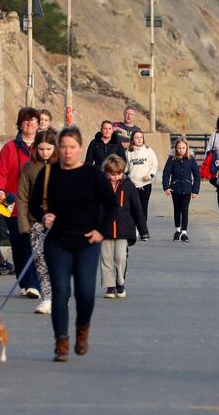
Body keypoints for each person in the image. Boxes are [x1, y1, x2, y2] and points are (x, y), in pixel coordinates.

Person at [30, 126, 119, 362]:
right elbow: (33, 204)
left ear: (79, 148)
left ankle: (82, 329)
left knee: (85, 293)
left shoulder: (93, 175)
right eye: (64, 147)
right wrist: (43, 216)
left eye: (72, 147)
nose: (67, 152)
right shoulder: (49, 173)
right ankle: (61, 342)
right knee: (60, 292)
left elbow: (112, 205)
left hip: (87, 243)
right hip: (57, 242)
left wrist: (101, 231)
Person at [0, 107, 41, 299]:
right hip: (13, 207)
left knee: (34, 245)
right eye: (26, 121)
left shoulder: (44, 147)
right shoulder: (9, 148)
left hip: (37, 207)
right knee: (20, 247)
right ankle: (24, 280)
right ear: (20, 124)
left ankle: (33, 284)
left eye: (33, 121)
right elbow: (0, 171)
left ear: (38, 124)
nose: (29, 124)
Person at [17, 130, 58, 315]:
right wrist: (24, 224)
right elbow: (22, 197)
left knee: (58, 261)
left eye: (49, 149)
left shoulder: (62, 167)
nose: (45, 153)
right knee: (40, 260)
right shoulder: (29, 167)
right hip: (35, 221)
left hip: (60, 222)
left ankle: (59, 295)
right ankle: (48, 298)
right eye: (41, 149)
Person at [101, 155, 148, 299]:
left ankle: (120, 281)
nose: (115, 177)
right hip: (105, 228)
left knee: (120, 257)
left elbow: (137, 209)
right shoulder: (101, 185)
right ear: (106, 172)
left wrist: (143, 230)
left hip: (124, 228)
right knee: (106, 258)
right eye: (112, 174)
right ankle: (110, 286)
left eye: (118, 174)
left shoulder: (129, 186)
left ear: (122, 172)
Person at [162, 137, 200, 243]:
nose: (181, 150)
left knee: (185, 210)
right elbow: (166, 174)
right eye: (179, 148)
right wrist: (166, 187)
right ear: (175, 148)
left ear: (187, 148)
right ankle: (177, 230)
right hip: (175, 189)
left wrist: (195, 190)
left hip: (187, 190)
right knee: (177, 210)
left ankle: (184, 233)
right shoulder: (171, 159)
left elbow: (197, 176)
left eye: (183, 148)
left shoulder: (191, 159)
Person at [125, 130, 158, 223]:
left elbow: (154, 165)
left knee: (143, 207)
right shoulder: (129, 152)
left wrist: (150, 175)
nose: (139, 139)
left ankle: (142, 231)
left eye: (141, 137)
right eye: (136, 137)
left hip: (145, 185)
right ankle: (134, 230)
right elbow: (126, 167)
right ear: (132, 140)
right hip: (132, 185)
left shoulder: (148, 150)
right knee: (134, 208)